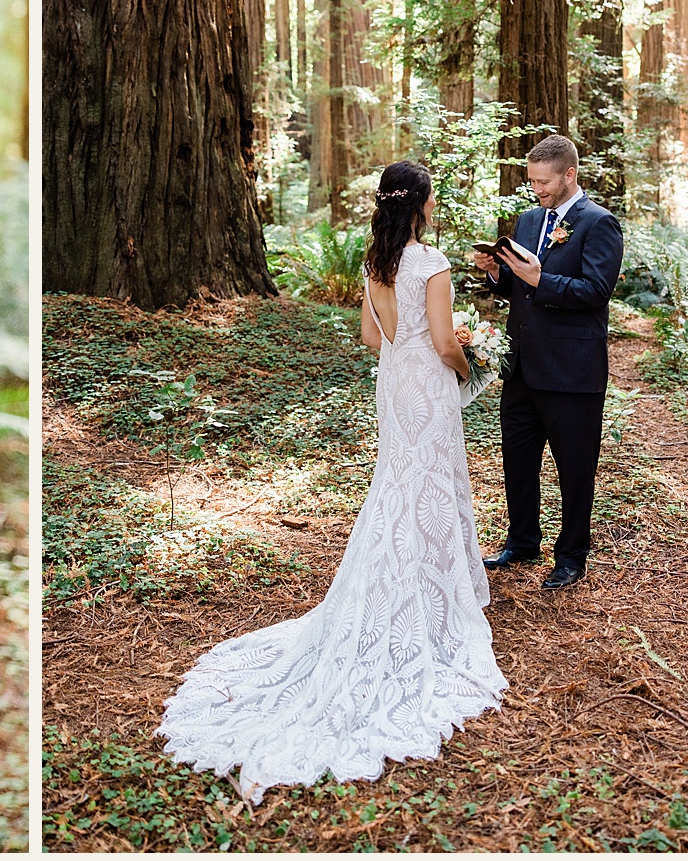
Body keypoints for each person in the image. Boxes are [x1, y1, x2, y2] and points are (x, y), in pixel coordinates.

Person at [157, 161, 508, 804]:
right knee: (428, 484)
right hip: (427, 386)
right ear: (424, 204)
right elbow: (439, 341)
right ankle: (433, 594)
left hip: (392, 386)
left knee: (401, 485)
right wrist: (471, 360)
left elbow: (375, 337)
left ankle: (408, 580)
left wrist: (429, 352)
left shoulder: (376, 262)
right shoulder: (430, 262)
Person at [470, 135, 625, 591]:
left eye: (544, 181)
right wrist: (497, 272)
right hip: (522, 366)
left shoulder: (600, 224)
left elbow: (596, 292)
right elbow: (520, 292)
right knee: (518, 459)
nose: (536, 188)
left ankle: (572, 554)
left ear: (569, 174)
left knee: (575, 467)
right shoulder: (529, 219)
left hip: (572, 370)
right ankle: (522, 542)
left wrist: (542, 277)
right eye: (532, 180)